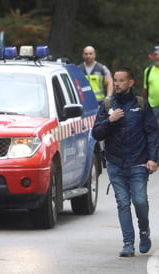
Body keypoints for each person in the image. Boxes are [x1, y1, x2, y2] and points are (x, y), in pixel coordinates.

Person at [92, 66, 159, 257]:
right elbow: (96, 133)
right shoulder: (107, 105)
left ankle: (144, 232)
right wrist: (110, 120)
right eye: (115, 80)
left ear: (131, 83)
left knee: (139, 201)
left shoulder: (142, 105)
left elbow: (152, 133)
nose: (117, 83)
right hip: (115, 163)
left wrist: (153, 158)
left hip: (138, 161)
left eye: (121, 80)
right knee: (122, 203)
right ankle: (128, 243)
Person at [142, 46, 159, 128]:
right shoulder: (148, 70)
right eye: (155, 55)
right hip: (153, 107)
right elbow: (145, 89)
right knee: (153, 129)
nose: (157, 57)